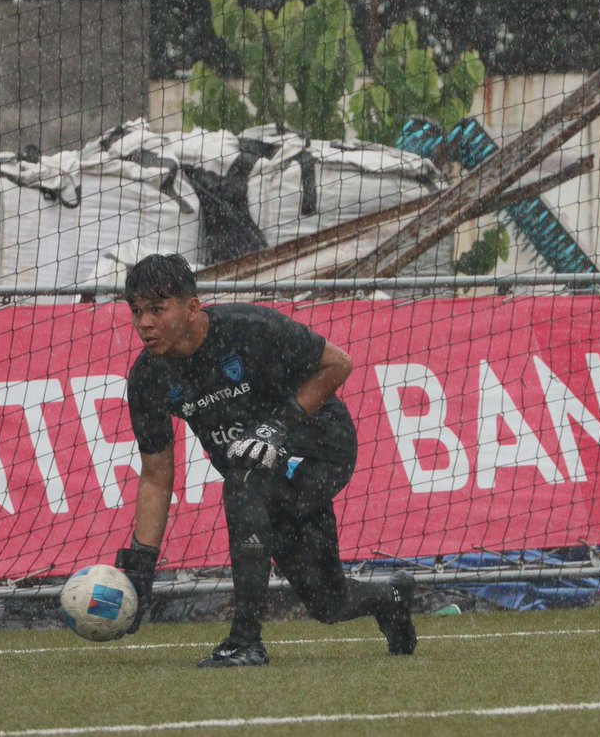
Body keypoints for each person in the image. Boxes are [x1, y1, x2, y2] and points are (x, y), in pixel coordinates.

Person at [115, 253, 416, 668]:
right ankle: (392, 596)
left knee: (243, 478)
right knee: (329, 603)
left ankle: (245, 640)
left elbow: (339, 363)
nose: (143, 322)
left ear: (191, 308)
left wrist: (278, 426)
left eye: (156, 309)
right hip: (263, 473)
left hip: (323, 448)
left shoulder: (249, 328)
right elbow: (155, 476)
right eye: (135, 311)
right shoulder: (148, 377)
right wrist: (142, 565)